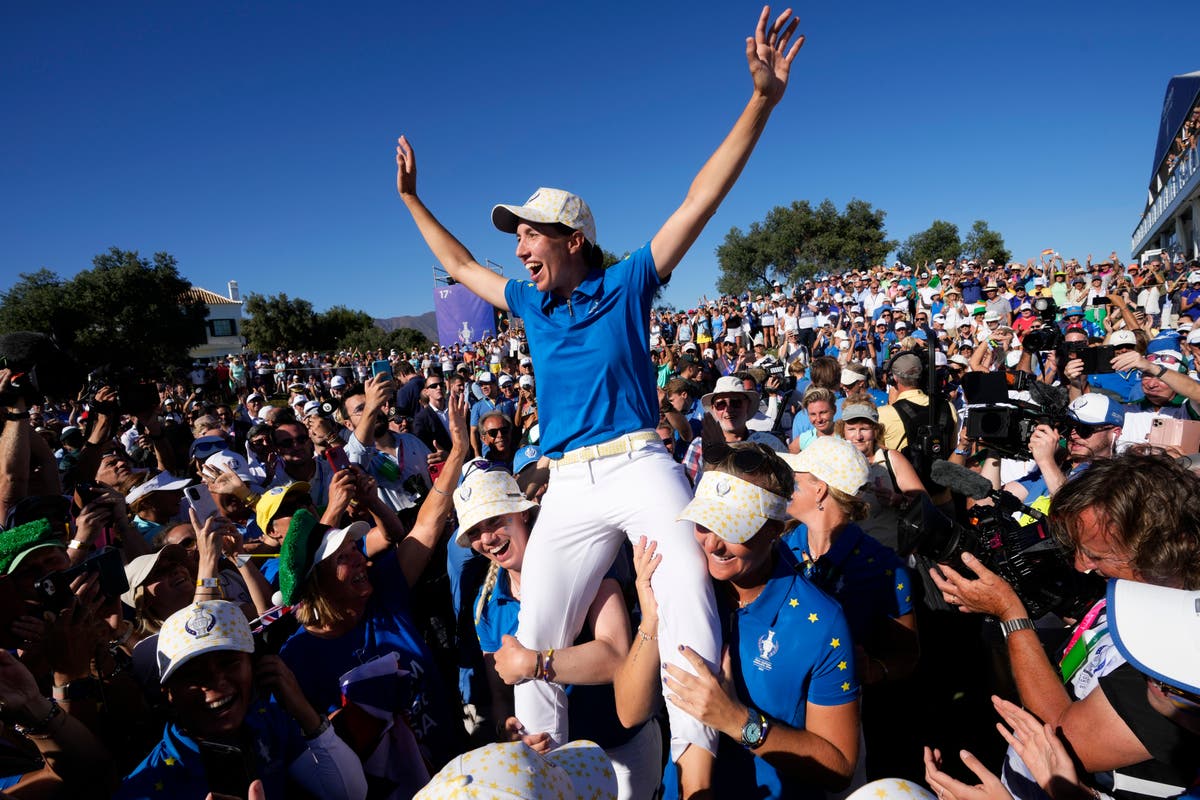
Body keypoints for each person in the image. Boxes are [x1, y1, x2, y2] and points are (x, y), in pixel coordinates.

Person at [395, 7, 805, 786]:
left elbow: (698, 200)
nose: (518, 247)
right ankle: (545, 780)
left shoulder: (626, 284)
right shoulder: (529, 303)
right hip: (568, 481)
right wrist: (413, 201)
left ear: (573, 239)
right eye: (516, 236)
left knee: (685, 596)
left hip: (641, 463)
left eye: (530, 233)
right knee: (535, 631)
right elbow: (462, 263)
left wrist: (760, 100)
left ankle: (695, 776)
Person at [929, 453, 1200, 800]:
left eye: (1096, 555)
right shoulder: (1140, 591)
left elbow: (1063, 737)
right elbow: (1092, 629)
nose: (1081, 564)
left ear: (1158, 552)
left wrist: (1010, 613)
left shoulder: (1174, 664)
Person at [614, 441, 860, 798]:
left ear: (775, 528)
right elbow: (630, 712)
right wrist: (652, 616)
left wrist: (737, 721)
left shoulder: (821, 622)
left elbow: (840, 768)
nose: (712, 544)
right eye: (703, 523)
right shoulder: (685, 585)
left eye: (732, 528)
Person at [278, 388, 472, 773]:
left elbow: (427, 525)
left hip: (451, 772)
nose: (361, 561)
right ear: (318, 581)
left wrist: (457, 451)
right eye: (344, 558)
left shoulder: (384, 592)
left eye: (356, 550)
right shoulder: (297, 658)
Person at [454, 465, 661, 800]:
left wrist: (533, 663)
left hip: (620, 749)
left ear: (522, 513)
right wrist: (509, 731)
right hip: (557, 765)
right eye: (475, 531)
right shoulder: (487, 605)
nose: (487, 538)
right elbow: (502, 696)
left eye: (494, 521)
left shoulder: (584, 559)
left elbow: (617, 657)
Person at [116, 600, 367, 800]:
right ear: (168, 692)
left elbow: (349, 794)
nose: (217, 681)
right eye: (193, 674)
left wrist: (304, 711)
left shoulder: (268, 722)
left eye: (229, 663)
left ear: (255, 666)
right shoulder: (147, 783)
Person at [780, 436, 919, 779]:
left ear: (820, 490)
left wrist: (875, 671)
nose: (788, 487)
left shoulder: (884, 568)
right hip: (775, 712)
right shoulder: (779, 549)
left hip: (839, 727)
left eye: (796, 479)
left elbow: (907, 654)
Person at [835, 402, 927, 553]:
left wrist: (898, 500)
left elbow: (924, 504)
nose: (858, 436)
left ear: (875, 431)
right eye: (851, 429)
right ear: (843, 432)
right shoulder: (835, 463)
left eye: (864, 429)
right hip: (851, 554)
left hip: (890, 552)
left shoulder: (892, 459)